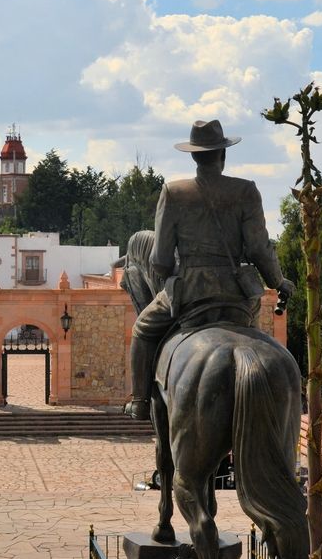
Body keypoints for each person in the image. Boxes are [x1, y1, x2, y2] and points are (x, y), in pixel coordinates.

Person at [124, 119, 295, 421]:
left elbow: (160, 260)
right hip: (237, 294)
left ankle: (138, 401)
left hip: (189, 291)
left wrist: (175, 274)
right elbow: (258, 248)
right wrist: (278, 280)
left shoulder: (173, 192)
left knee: (142, 330)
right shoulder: (246, 191)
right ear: (223, 155)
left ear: (194, 156)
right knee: (253, 335)